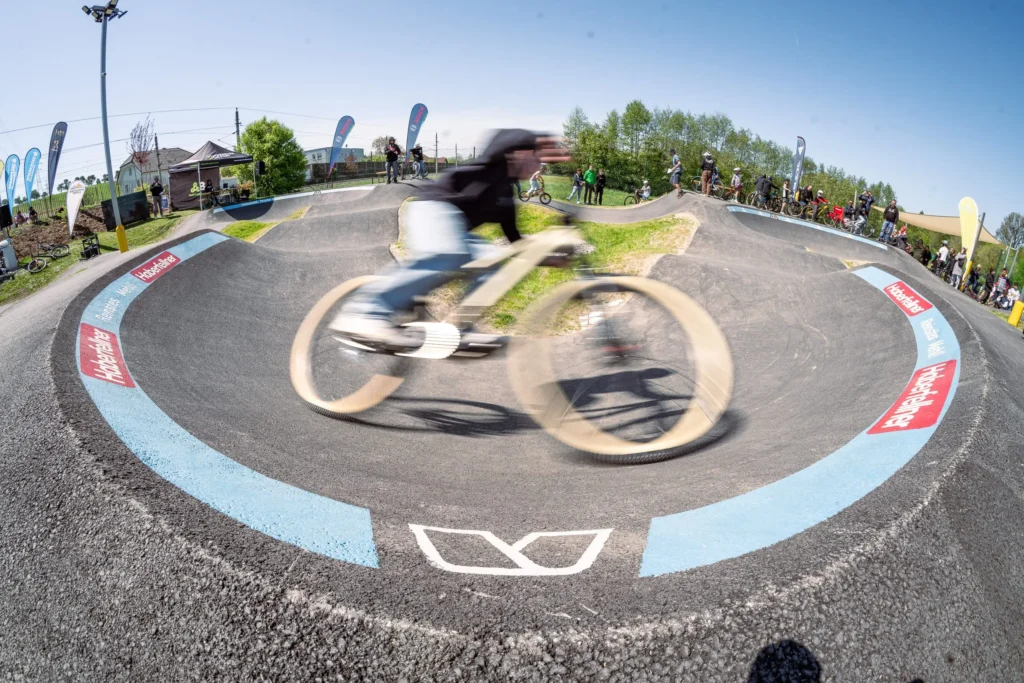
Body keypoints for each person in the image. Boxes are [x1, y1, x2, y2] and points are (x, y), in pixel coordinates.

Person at [329, 130, 568, 347]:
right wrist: (537, 140)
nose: (539, 166)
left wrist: (549, 259)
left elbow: (516, 244)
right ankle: (366, 313)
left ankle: (460, 329)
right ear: (521, 153)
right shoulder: (492, 163)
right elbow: (502, 139)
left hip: (457, 230)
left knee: (493, 261)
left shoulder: (506, 197)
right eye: (537, 158)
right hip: (433, 207)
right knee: (451, 253)